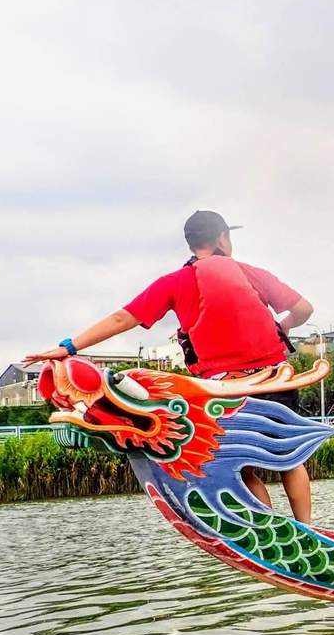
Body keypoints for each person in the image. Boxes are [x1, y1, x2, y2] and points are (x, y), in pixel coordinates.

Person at [24, 211, 316, 520]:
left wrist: (67, 348)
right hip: (276, 381)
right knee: (289, 460)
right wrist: (282, 326)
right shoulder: (253, 273)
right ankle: (307, 528)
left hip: (223, 391)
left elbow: (123, 319)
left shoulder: (175, 282)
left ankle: (266, 529)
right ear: (222, 239)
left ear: (192, 245)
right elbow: (304, 309)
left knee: (241, 467)